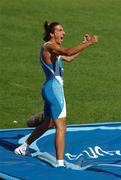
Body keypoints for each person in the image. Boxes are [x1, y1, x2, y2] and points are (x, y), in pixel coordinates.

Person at [14, 21, 98, 167]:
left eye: (63, 30)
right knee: (61, 126)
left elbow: (69, 58)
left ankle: (23, 147)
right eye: (60, 30)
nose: (63, 33)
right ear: (52, 34)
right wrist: (89, 43)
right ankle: (59, 164)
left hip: (50, 88)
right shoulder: (49, 46)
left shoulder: (54, 49)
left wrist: (82, 44)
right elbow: (67, 52)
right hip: (54, 89)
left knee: (49, 123)